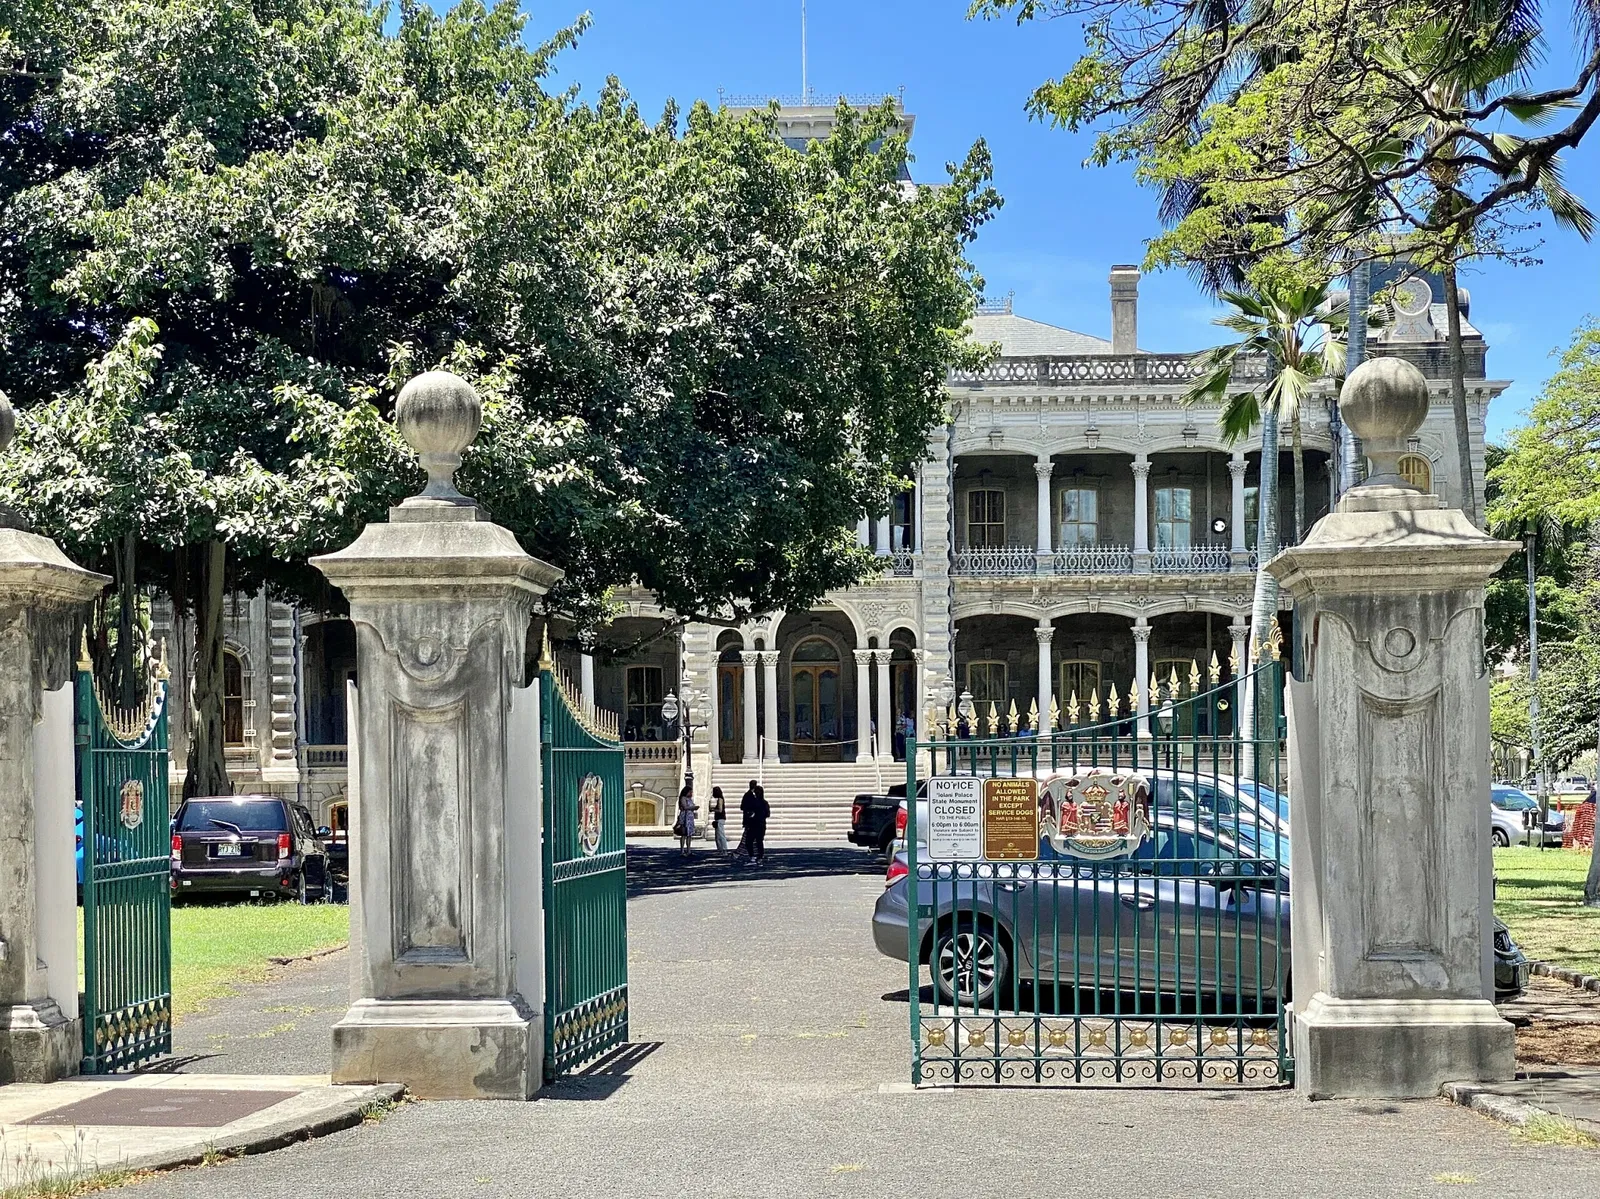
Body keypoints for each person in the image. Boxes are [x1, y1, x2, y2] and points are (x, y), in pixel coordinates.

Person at [748, 783, 770, 864]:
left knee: (749, 841)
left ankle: (752, 856)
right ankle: (760, 856)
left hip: (753, 824)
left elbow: (749, 813)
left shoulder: (753, 803)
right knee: (759, 841)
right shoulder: (765, 803)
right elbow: (768, 814)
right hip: (761, 824)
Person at [739, 780, 759, 861]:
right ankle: (753, 854)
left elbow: (742, 807)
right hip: (751, 820)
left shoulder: (748, 795)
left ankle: (752, 854)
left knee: (749, 838)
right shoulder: (751, 796)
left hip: (750, 820)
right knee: (749, 839)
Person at [675, 784, 697, 856]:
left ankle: (689, 850)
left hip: (690, 817)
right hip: (685, 817)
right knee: (684, 834)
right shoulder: (683, 798)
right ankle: (682, 850)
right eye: (690, 792)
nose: (691, 794)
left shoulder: (690, 799)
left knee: (689, 834)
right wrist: (693, 807)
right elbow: (685, 807)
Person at [709, 786, 728, 853]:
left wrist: (713, 810)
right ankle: (720, 849)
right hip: (719, 818)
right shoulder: (720, 799)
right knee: (717, 835)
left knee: (720, 834)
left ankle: (724, 849)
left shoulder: (720, 799)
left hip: (720, 818)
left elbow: (720, 810)